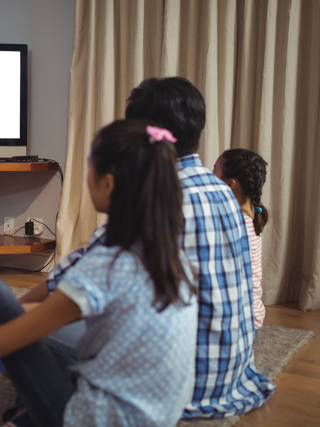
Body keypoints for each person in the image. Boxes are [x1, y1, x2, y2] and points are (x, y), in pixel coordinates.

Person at [0, 119, 198, 427]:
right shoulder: (172, 256)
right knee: (49, 336)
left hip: (90, 420)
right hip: (155, 417)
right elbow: (50, 314)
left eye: (89, 165)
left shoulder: (110, 263)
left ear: (108, 183)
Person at [125, 77, 275, 418]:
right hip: (232, 371)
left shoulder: (158, 195)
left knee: (19, 323)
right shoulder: (225, 193)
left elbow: (84, 284)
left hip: (179, 384)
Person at [213, 149, 269, 330]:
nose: (210, 176)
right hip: (253, 314)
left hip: (241, 320)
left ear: (230, 185)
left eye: (214, 172)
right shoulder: (252, 216)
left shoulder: (235, 225)